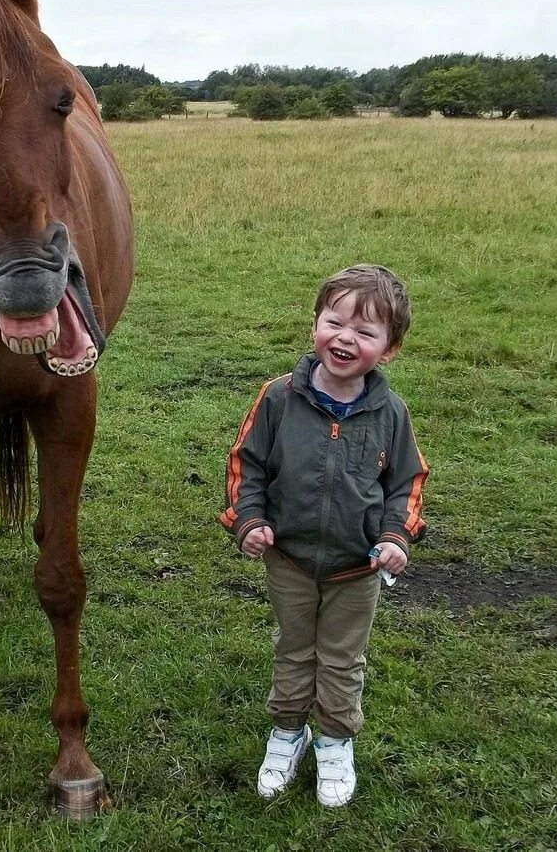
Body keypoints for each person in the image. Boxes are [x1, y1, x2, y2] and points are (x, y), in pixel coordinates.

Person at [219, 264, 428, 807]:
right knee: (293, 649)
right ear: (315, 323)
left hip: (357, 568)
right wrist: (249, 521)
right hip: (287, 558)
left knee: (340, 658)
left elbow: (406, 482)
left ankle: (335, 739)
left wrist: (395, 537)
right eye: (335, 322)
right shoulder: (278, 398)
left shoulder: (391, 413)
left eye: (365, 332)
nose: (345, 338)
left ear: (389, 349)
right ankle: (289, 730)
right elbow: (248, 465)